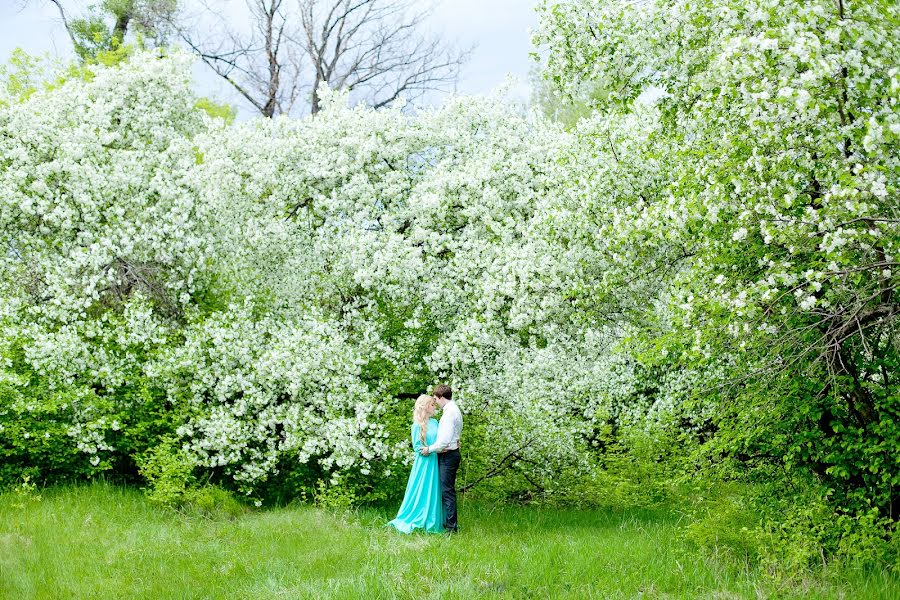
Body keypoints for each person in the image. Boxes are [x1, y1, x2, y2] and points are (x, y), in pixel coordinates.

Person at [387, 395, 444, 533]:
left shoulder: (436, 423)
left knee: (434, 490)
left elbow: (441, 441)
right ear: (424, 406)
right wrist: (428, 450)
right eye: (431, 404)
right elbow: (417, 448)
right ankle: (416, 517)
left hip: (436, 461)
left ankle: (432, 520)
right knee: (421, 490)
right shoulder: (417, 425)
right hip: (424, 464)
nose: (434, 407)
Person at [420, 384, 462, 533]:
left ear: (440, 397)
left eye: (435, 399)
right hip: (451, 452)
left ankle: (451, 527)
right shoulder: (454, 409)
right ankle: (448, 523)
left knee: (447, 492)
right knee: (446, 490)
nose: (435, 402)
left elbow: (443, 442)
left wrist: (428, 449)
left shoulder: (449, 413)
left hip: (448, 456)